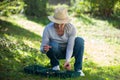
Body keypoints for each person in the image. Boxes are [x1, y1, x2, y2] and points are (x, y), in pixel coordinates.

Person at [40, 7, 85, 76]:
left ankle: (78, 69)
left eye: (61, 24)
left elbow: (70, 47)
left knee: (80, 40)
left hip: (69, 51)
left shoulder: (71, 28)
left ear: (65, 22)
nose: (59, 26)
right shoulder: (48, 29)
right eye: (57, 23)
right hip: (55, 51)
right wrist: (44, 49)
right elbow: (42, 48)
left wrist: (67, 61)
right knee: (52, 44)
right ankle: (55, 65)